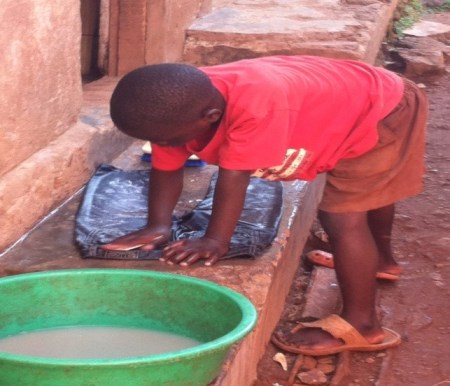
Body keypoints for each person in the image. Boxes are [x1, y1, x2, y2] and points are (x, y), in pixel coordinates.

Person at [103, 55, 428, 356]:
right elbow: (166, 167)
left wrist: (215, 240)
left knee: (342, 218)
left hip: (384, 111)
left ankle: (363, 325)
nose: (163, 146)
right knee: (365, 199)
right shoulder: (179, 107)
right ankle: (381, 263)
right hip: (354, 101)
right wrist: (158, 225)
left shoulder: (255, 105)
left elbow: (235, 179)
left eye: (167, 140)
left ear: (211, 117)